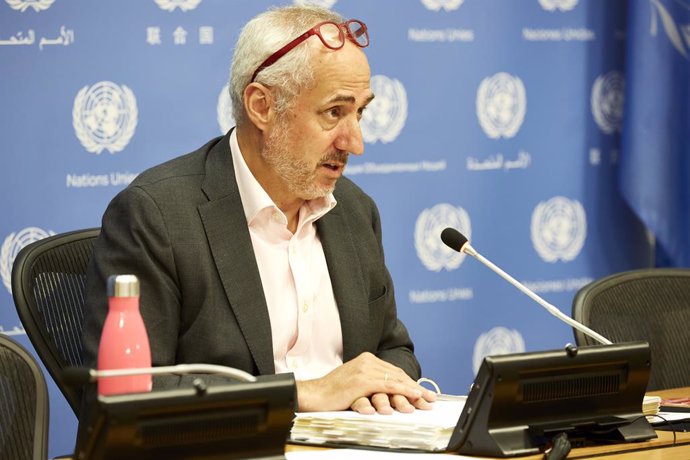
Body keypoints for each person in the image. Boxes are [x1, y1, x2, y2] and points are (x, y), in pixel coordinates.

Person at [81, 4, 435, 416]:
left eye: (360, 112)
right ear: (262, 106)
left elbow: (392, 349)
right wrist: (299, 394)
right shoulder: (156, 215)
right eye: (334, 112)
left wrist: (381, 387)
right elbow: (126, 389)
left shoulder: (355, 210)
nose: (355, 142)